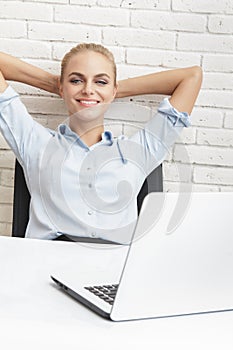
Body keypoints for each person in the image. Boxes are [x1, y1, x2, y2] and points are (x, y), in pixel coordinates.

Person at [0, 43, 202, 243]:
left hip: (113, 269)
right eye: (77, 80)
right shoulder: (35, 142)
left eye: (100, 82)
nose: (88, 90)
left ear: (114, 90)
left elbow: (191, 77)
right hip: (47, 266)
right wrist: (58, 85)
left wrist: (108, 92)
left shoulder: (139, 151)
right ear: (61, 87)